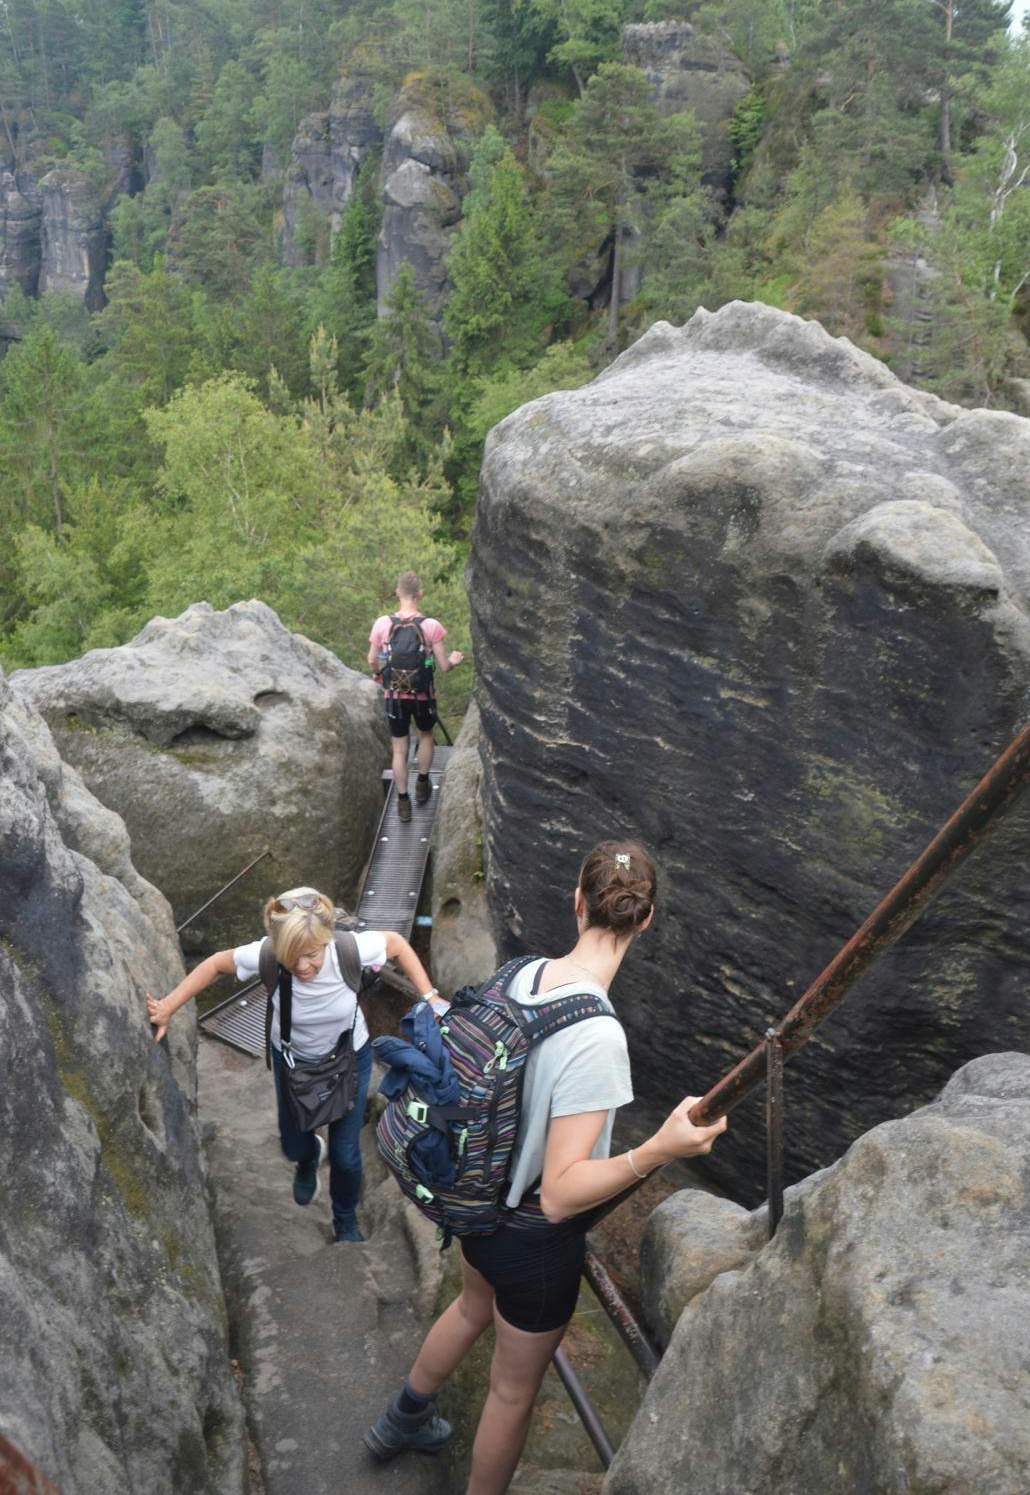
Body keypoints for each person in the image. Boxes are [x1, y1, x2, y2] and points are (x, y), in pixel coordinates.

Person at [364, 842, 728, 1491]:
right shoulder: (598, 1034)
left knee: (471, 1308)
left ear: (577, 902)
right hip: (532, 1242)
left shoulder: (519, 973)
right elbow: (561, 1194)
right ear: (645, 920)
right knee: (510, 1392)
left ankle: (401, 1420)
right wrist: (658, 1150)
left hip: (474, 1200)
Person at [147, 886, 447, 1244]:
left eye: (311, 955)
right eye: (292, 959)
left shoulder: (348, 949)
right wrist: (168, 1007)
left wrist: (430, 997)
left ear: (325, 940)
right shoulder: (267, 953)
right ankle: (308, 1156)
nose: (303, 967)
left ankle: (345, 1221)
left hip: (349, 1058)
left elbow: (396, 944)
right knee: (292, 1143)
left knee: (346, 1155)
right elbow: (215, 965)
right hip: (291, 1061)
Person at [368, 570, 464, 823]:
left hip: (395, 697)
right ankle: (422, 783)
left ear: (397, 592)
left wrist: (378, 674)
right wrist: (454, 660)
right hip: (423, 696)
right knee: (426, 736)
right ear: (420, 594)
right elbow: (443, 666)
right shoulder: (431, 626)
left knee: (399, 750)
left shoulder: (382, 624)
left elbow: (372, 659)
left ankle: (403, 801)